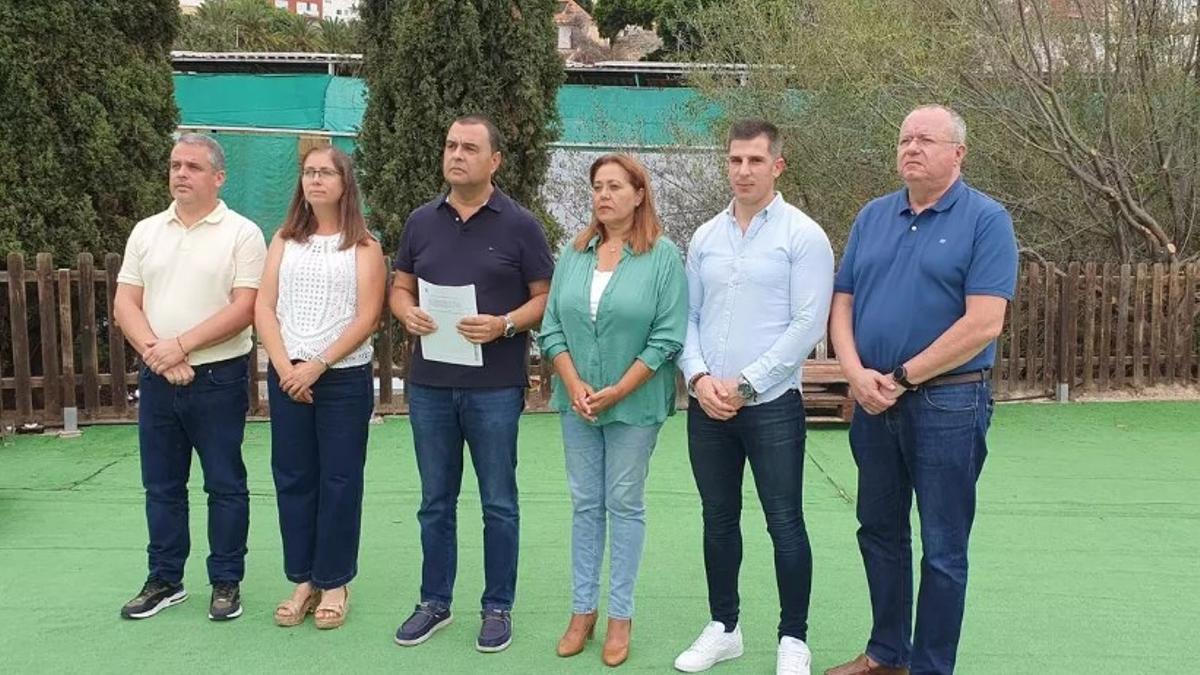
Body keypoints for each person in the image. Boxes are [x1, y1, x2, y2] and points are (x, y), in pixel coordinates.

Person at [824, 105, 1018, 675]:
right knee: (879, 531)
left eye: (925, 140)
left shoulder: (987, 220)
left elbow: (984, 322)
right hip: (872, 399)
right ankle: (887, 653)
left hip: (949, 402)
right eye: (904, 138)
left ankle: (931, 666)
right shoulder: (873, 216)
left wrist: (905, 376)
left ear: (958, 153)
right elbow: (843, 303)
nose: (911, 148)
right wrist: (856, 374)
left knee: (943, 546)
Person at [674, 119, 834, 675]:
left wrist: (745, 385)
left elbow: (807, 324)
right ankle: (724, 627)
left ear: (777, 166)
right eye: (735, 160)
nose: (744, 170)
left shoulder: (803, 236)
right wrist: (698, 379)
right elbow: (686, 318)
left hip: (771, 409)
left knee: (784, 521)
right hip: (707, 406)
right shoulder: (704, 237)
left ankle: (794, 638)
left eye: (755, 161)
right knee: (718, 519)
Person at [389, 114, 555, 653]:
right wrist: (406, 312)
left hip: (495, 387)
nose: (456, 155)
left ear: (495, 161)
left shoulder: (520, 225)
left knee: (498, 503)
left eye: (469, 147)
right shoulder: (421, 222)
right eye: (450, 145)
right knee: (435, 500)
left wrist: (505, 323)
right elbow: (399, 287)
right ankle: (434, 602)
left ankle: (497, 607)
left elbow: (545, 297)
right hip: (431, 385)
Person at [538, 154, 688, 667]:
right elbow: (552, 324)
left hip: (635, 404)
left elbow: (667, 336)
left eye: (615, 187)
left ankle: (620, 616)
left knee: (623, 505)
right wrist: (576, 383)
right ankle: (583, 612)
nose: (604, 195)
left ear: (639, 193)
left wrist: (619, 389)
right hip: (576, 403)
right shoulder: (575, 253)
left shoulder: (663, 257)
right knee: (585, 504)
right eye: (597, 187)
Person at [113, 133, 266, 622]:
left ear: (218, 177)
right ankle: (164, 579)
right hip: (159, 377)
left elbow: (244, 308)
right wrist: (159, 354)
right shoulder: (147, 230)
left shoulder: (242, 233)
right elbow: (124, 303)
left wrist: (182, 345)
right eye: (176, 165)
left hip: (218, 378)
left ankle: (226, 580)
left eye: (193, 167)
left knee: (224, 484)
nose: (180, 174)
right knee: (161, 485)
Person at [254, 145, 386, 630]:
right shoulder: (284, 240)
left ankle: (335, 581)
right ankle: (303, 579)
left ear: (345, 183)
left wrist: (318, 365)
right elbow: (264, 307)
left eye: (326, 173)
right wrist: (287, 365)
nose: (315, 180)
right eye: (309, 173)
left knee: (339, 479)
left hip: (342, 378)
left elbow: (368, 316)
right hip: (288, 377)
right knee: (293, 477)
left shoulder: (366, 247)